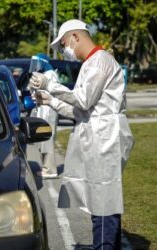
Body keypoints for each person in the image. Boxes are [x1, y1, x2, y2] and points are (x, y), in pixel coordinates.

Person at [29, 19, 134, 249]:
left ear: (76, 37)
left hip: (106, 137)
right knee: (99, 198)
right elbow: (79, 110)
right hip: (98, 136)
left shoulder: (100, 62)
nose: (66, 50)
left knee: (104, 199)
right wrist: (50, 101)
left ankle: (104, 246)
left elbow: (82, 99)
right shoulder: (90, 63)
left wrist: (50, 85)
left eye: (65, 44)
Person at [29, 53, 59, 178]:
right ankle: (45, 167)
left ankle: (51, 170)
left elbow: (49, 93)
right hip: (43, 109)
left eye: (37, 63)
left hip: (49, 110)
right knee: (42, 139)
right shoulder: (45, 74)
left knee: (48, 139)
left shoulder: (50, 75)